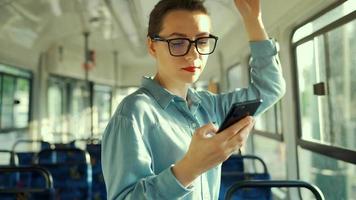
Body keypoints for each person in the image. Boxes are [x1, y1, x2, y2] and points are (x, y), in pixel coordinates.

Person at [102, 0, 285, 199]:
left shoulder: (210, 106)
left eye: (202, 41)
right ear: (152, 46)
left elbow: (269, 88)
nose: (193, 54)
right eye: (178, 42)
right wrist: (190, 168)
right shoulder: (132, 114)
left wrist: (253, 20)